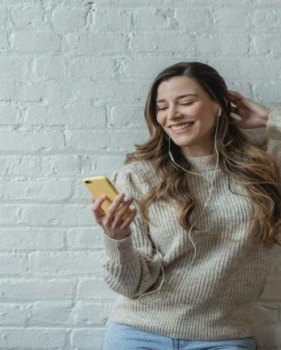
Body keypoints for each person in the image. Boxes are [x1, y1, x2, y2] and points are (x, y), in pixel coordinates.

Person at [91, 62, 281, 350]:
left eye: (186, 102)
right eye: (162, 107)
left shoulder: (266, 161)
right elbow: (131, 285)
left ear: (219, 105)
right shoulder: (138, 176)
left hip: (224, 337)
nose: (172, 115)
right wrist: (117, 239)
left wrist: (269, 117)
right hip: (138, 333)